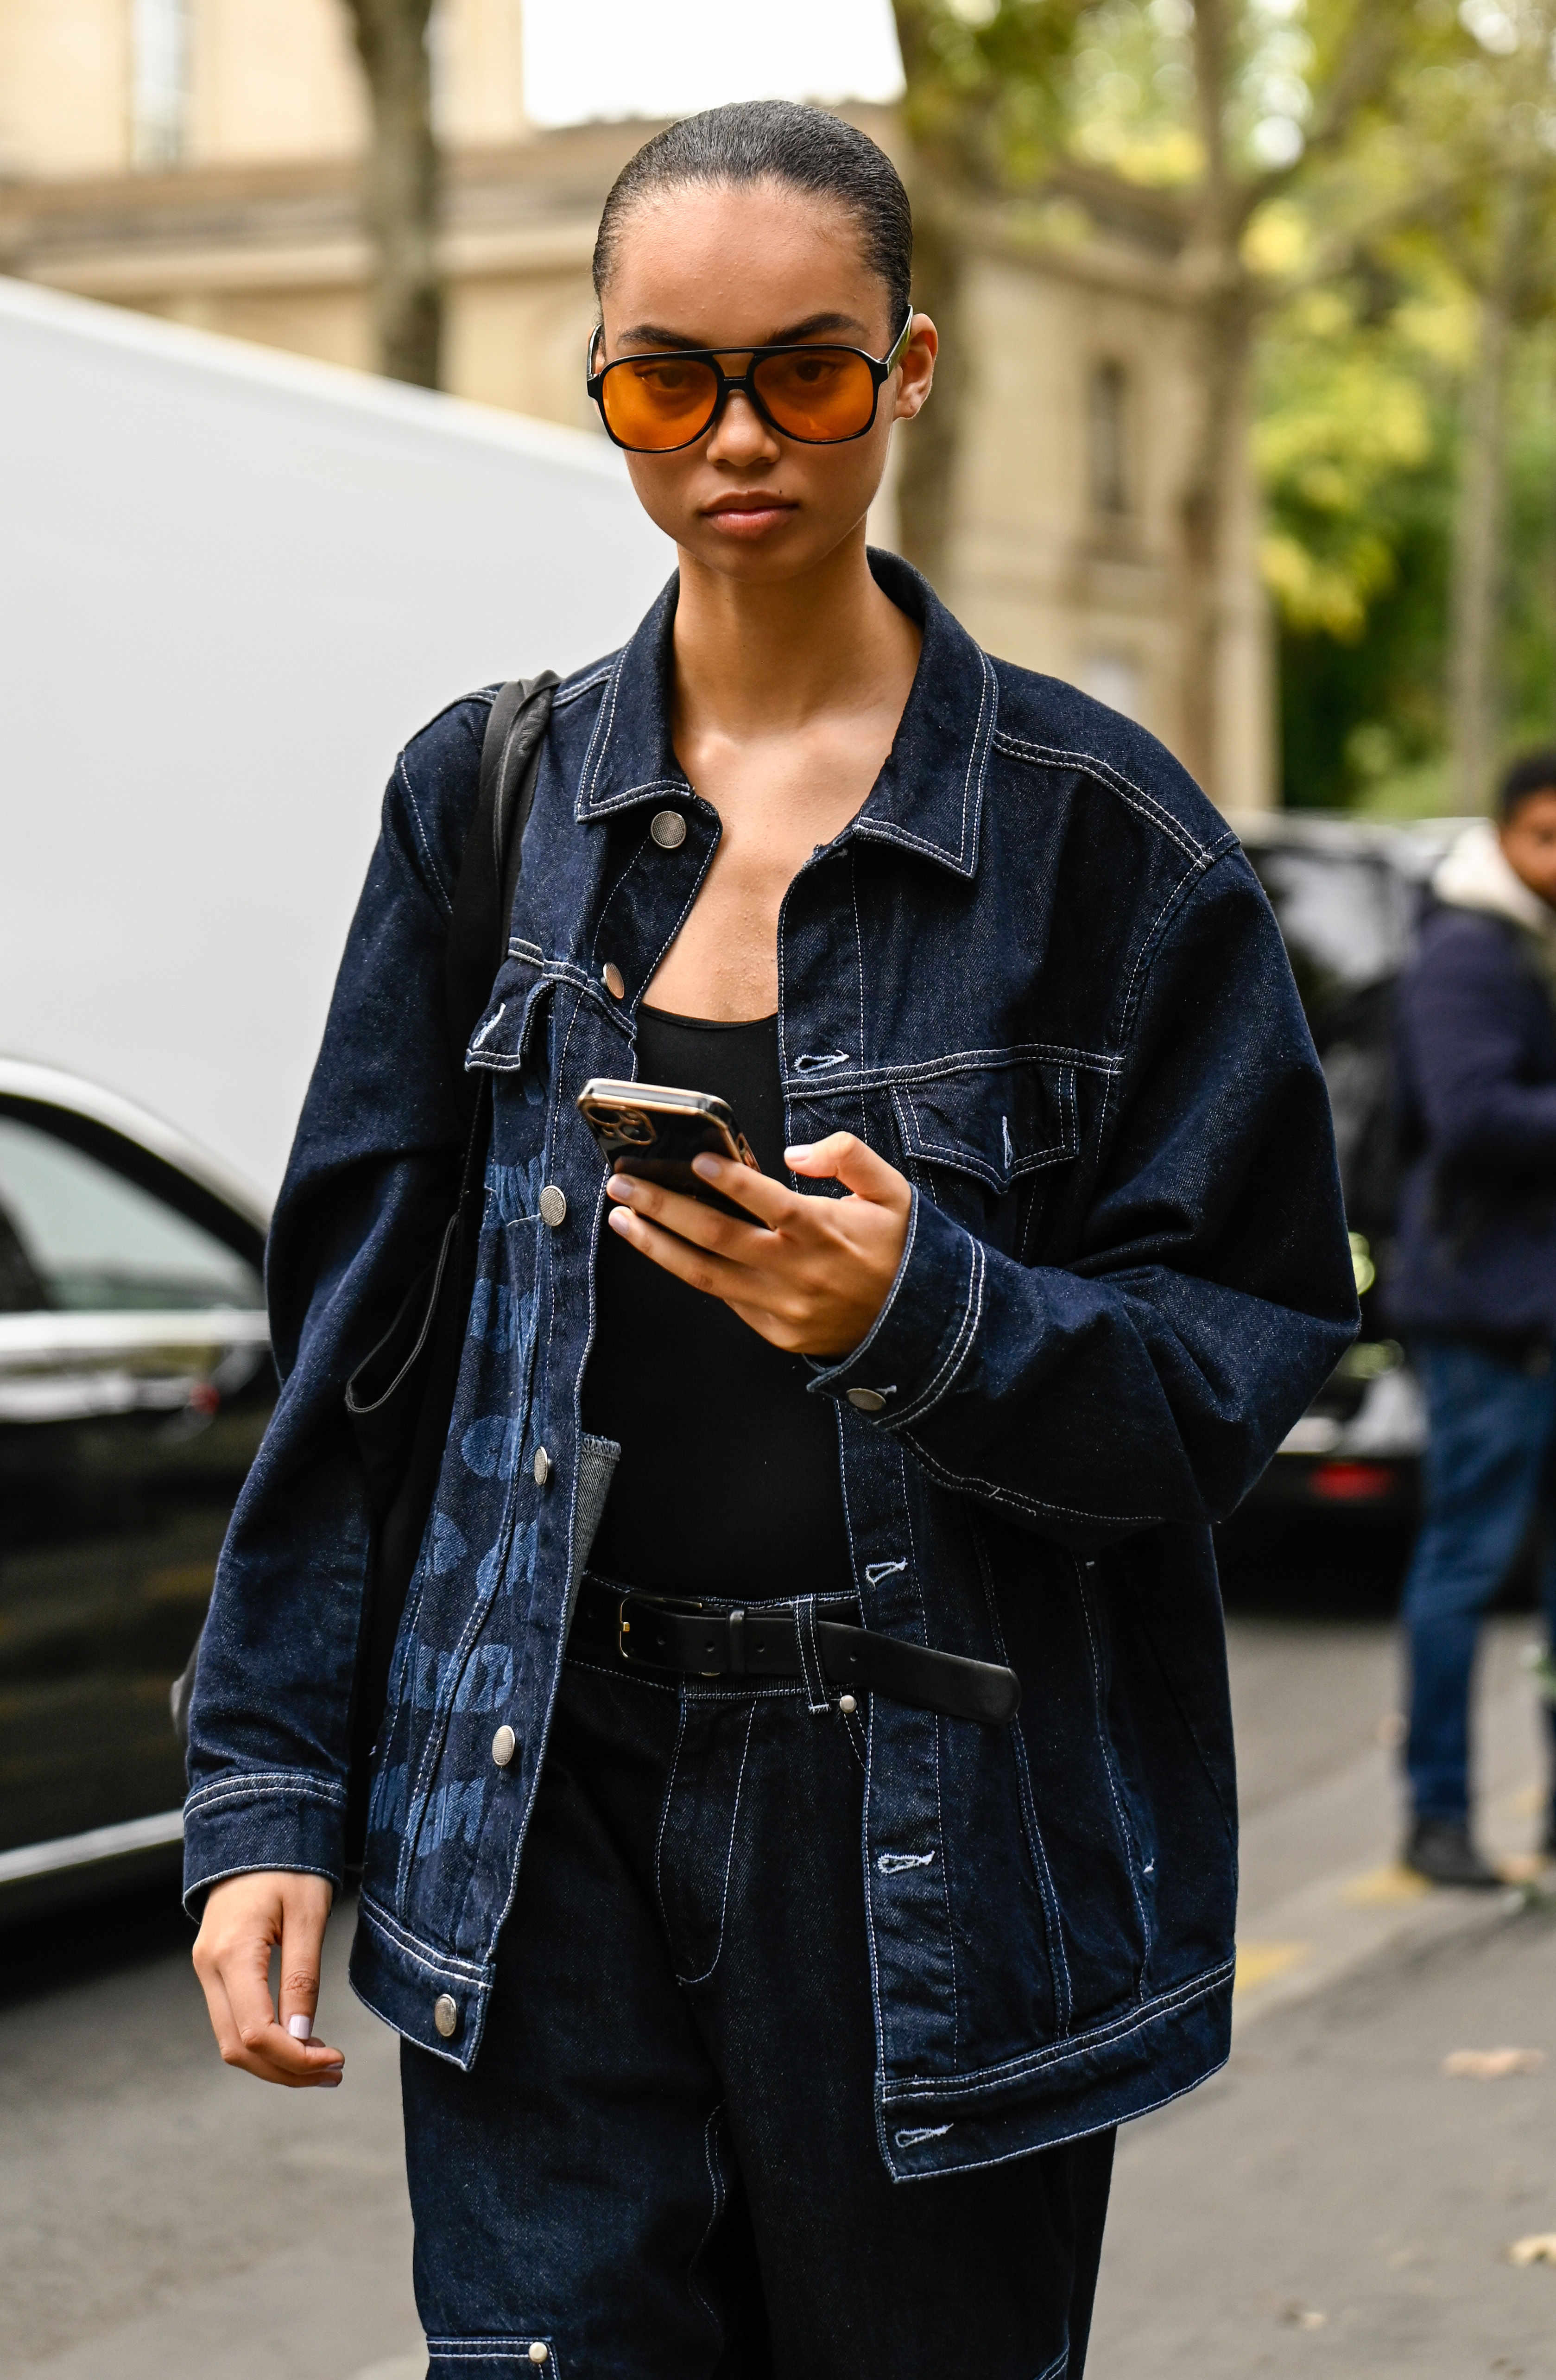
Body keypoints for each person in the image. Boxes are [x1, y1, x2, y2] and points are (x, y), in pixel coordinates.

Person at [184, 102, 1356, 2379]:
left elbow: (1238, 1352)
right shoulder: (486, 798)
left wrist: (924, 1316)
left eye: (805, 373)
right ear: (599, 380)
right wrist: (267, 1787)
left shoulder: (1098, 840)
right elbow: (355, 1349)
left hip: (923, 1825)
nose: (735, 437)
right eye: (666, 379)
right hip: (536, 1792)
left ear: (904, 370)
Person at [1392, 751, 1556, 1888]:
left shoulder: (1535, 944)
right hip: (1483, 1311)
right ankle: (1437, 1815)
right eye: (1546, 834)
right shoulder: (1466, 949)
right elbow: (1472, 1119)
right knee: (1464, 1563)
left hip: (1538, 1302)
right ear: (1503, 835)